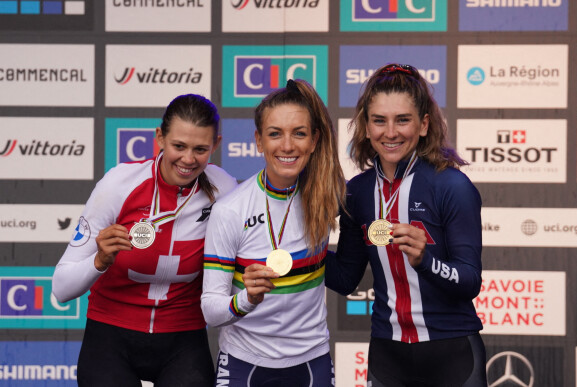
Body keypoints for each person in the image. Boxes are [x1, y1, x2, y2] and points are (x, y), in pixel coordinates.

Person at [52, 94, 238, 387]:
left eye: (200, 149)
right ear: (160, 138)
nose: (188, 159)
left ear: (215, 145)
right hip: (110, 335)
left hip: (183, 339)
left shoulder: (224, 188)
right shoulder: (118, 184)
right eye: (179, 146)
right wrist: (99, 260)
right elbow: (61, 288)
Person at [325, 63, 487, 387]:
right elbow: (345, 278)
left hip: (452, 353)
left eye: (403, 120)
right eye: (379, 121)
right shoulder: (357, 191)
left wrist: (425, 261)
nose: (391, 132)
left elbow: (470, 281)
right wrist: (303, 250)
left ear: (424, 124)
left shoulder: (451, 186)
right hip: (388, 355)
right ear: (366, 127)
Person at [201, 79, 345, 387]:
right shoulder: (230, 211)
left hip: (311, 361)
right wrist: (247, 298)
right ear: (258, 140)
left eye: (299, 133)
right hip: (244, 363)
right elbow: (211, 311)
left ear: (315, 139)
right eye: (275, 134)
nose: (288, 146)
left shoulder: (325, 197)